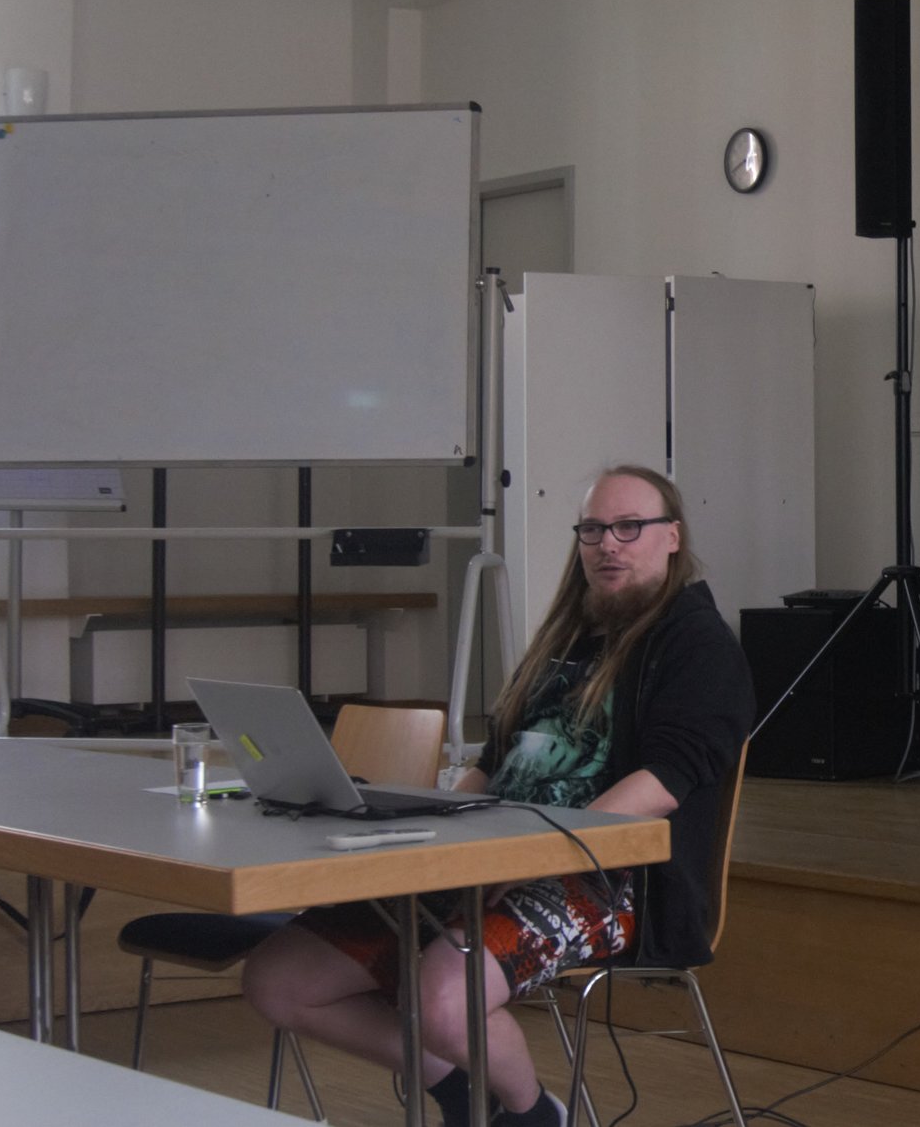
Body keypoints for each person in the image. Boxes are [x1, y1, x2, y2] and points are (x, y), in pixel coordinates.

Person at [243, 465, 754, 1127]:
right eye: (594, 529)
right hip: (488, 854)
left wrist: (524, 860)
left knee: (444, 1002)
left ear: (672, 537)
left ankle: (529, 1113)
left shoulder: (698, 646)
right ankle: (463, 1091)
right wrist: (444, 831)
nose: (609, 544)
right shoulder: (565, 638)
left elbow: (661, 785)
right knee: (278, 981)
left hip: (601, 875)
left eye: (630, 527)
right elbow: (492, 763)